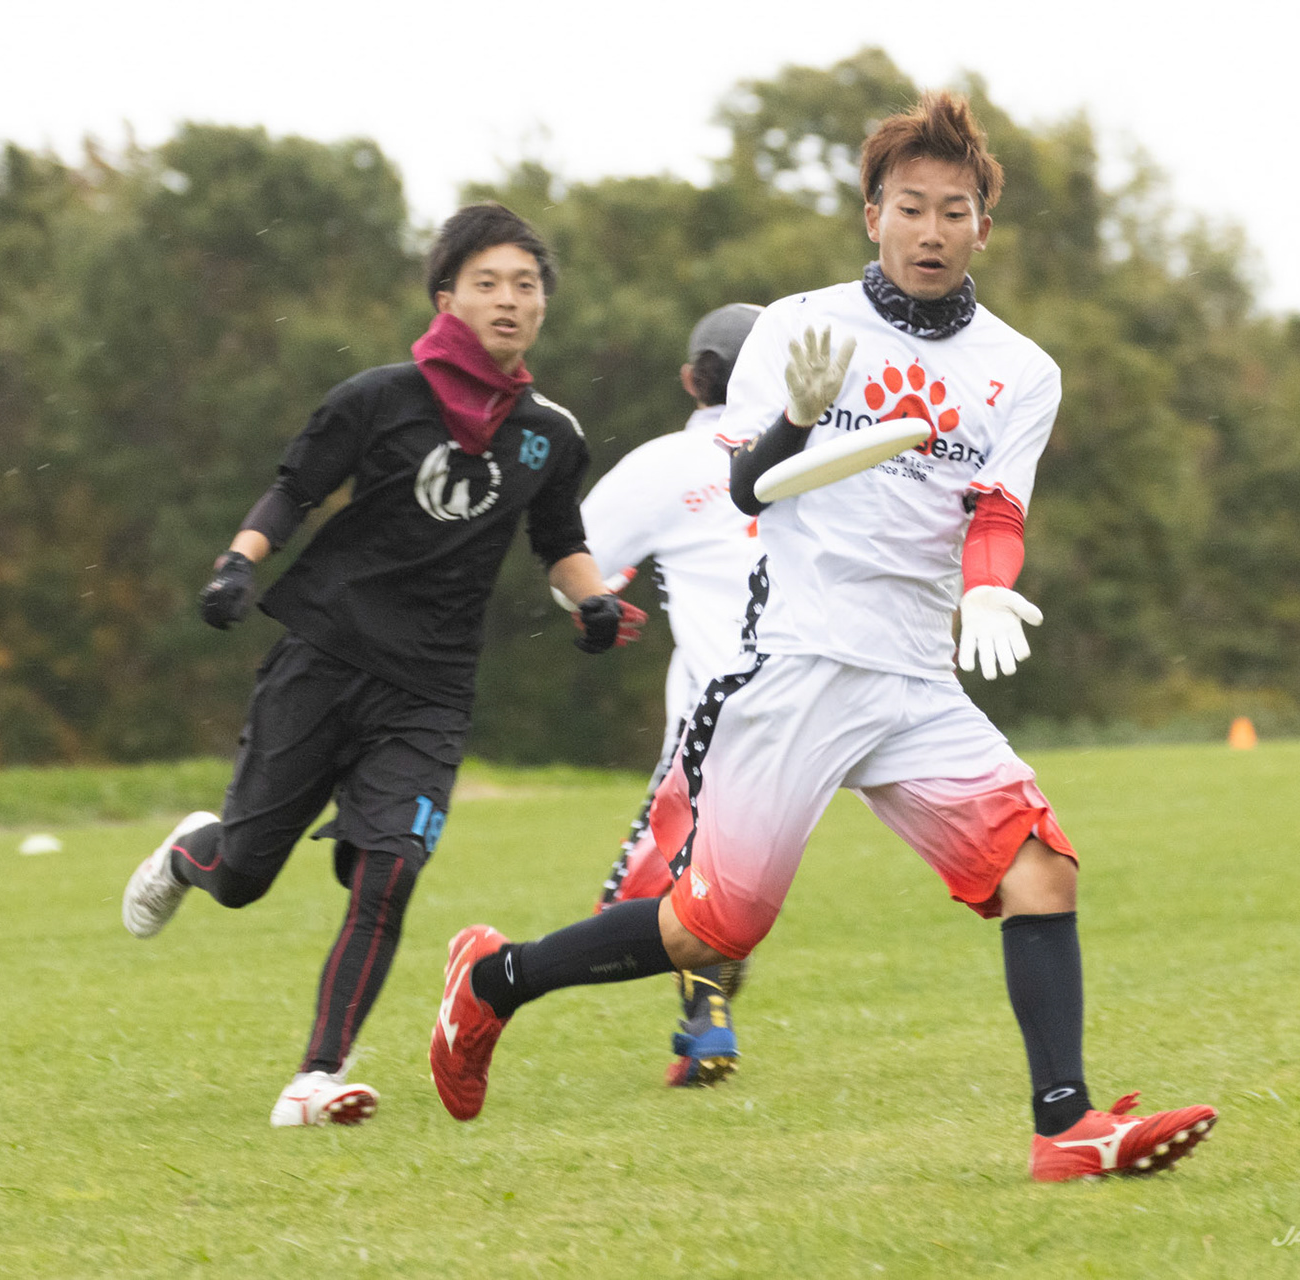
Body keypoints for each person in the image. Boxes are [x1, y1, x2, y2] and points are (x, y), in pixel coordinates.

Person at [428, 93, 1218, 1182]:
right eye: (910, 207)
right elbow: (747, 487)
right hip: (794, 665)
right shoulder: (800, 326)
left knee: (1040, 870)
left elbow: (997, 510)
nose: (931, 231)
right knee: (710, 931)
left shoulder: (1021, 369)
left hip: (914, 678)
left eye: (954, 210)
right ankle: (493, 981)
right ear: (872, 214)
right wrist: (800, 417)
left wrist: (990, 591)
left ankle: (1065, 1126)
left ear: (984, 226)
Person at [120, 203, 643, 1127]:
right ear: (447, 298)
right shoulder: (377, 398)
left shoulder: (552, 435)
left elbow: (558, 540)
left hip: (431, 690)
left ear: (543, 305)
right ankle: (193, 851)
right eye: (487, 283)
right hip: (325, 656)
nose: (509, 300)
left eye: (526, 285)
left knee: (389, 873)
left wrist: (593, 601)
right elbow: (295, 490)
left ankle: (315, 1079)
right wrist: (238, 564)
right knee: (243, 876)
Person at [580, 303, 764, 1087]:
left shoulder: (665, 464)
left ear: (692, 381)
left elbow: (577, 558)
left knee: (653, 886)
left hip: (714, 704)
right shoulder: (823, 453)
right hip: (821, 696)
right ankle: (705, 1015)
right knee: (720, 865)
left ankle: (505, 979)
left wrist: (596, 601)